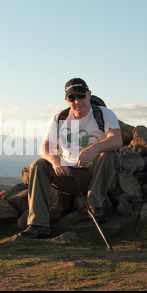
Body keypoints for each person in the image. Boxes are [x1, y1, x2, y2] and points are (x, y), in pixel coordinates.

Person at [19, 78, 123, 239]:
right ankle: (38, 225)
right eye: (72, 98)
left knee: (109, 155)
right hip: (67, 175)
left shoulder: (103, 113)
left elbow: (116, 140)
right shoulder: (59, 118)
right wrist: (55, 161)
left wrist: (93, 149)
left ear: (89, 95)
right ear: (66, 100)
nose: (77, 101)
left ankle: (95, 206)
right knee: (38, 165)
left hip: (95, 175)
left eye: (81, 96)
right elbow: (44, 148)